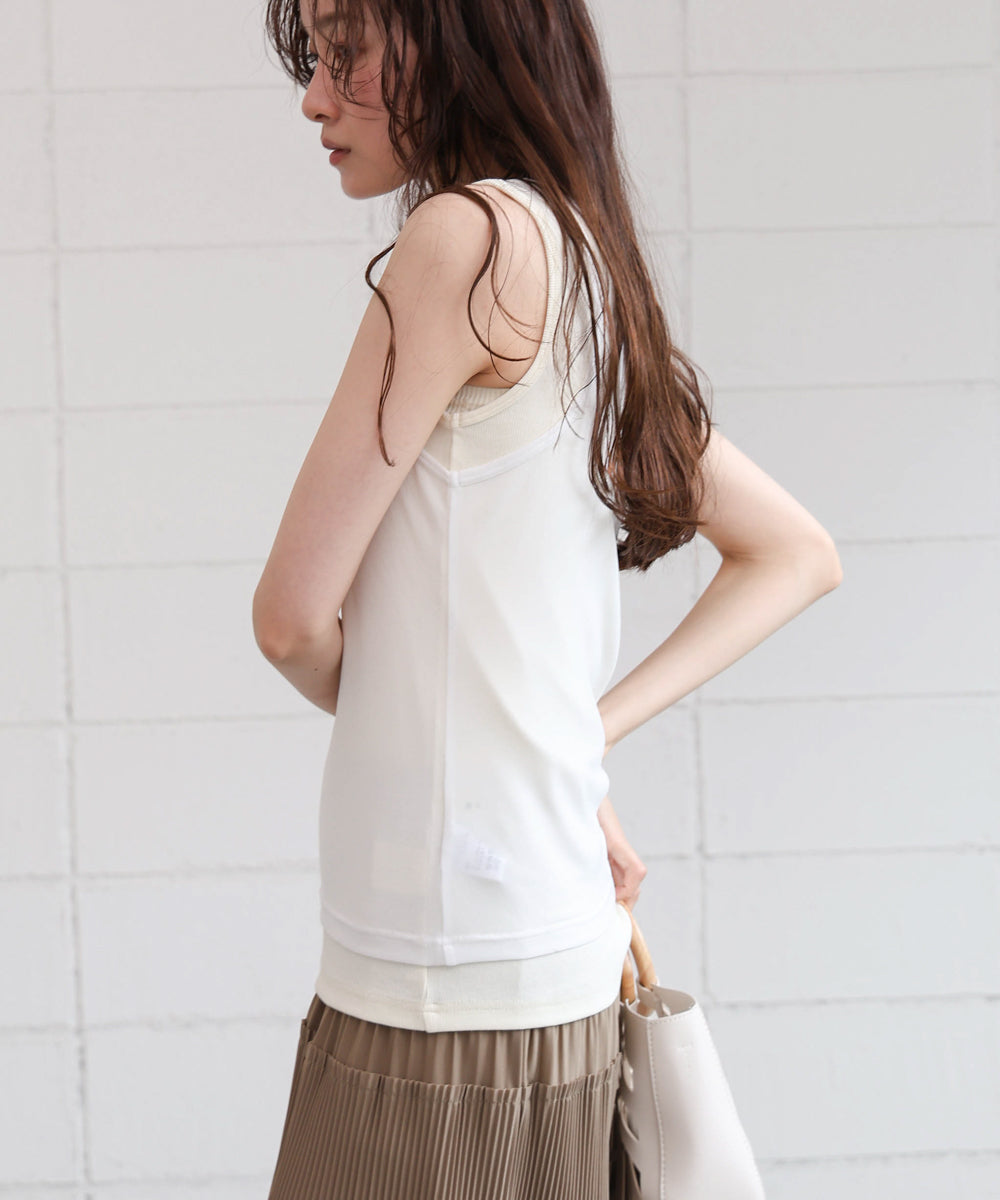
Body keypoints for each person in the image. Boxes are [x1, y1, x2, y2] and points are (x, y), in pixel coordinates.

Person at [254, 0, 843, 1196]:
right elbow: (795, 551)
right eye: (314, 54)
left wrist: (526, 741)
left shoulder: (461, 240)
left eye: (345, 50)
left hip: (438, 968)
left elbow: (291, 620)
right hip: (550, 947)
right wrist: (564, 747)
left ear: (455, 37)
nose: (315, 95)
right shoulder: (577, 253)